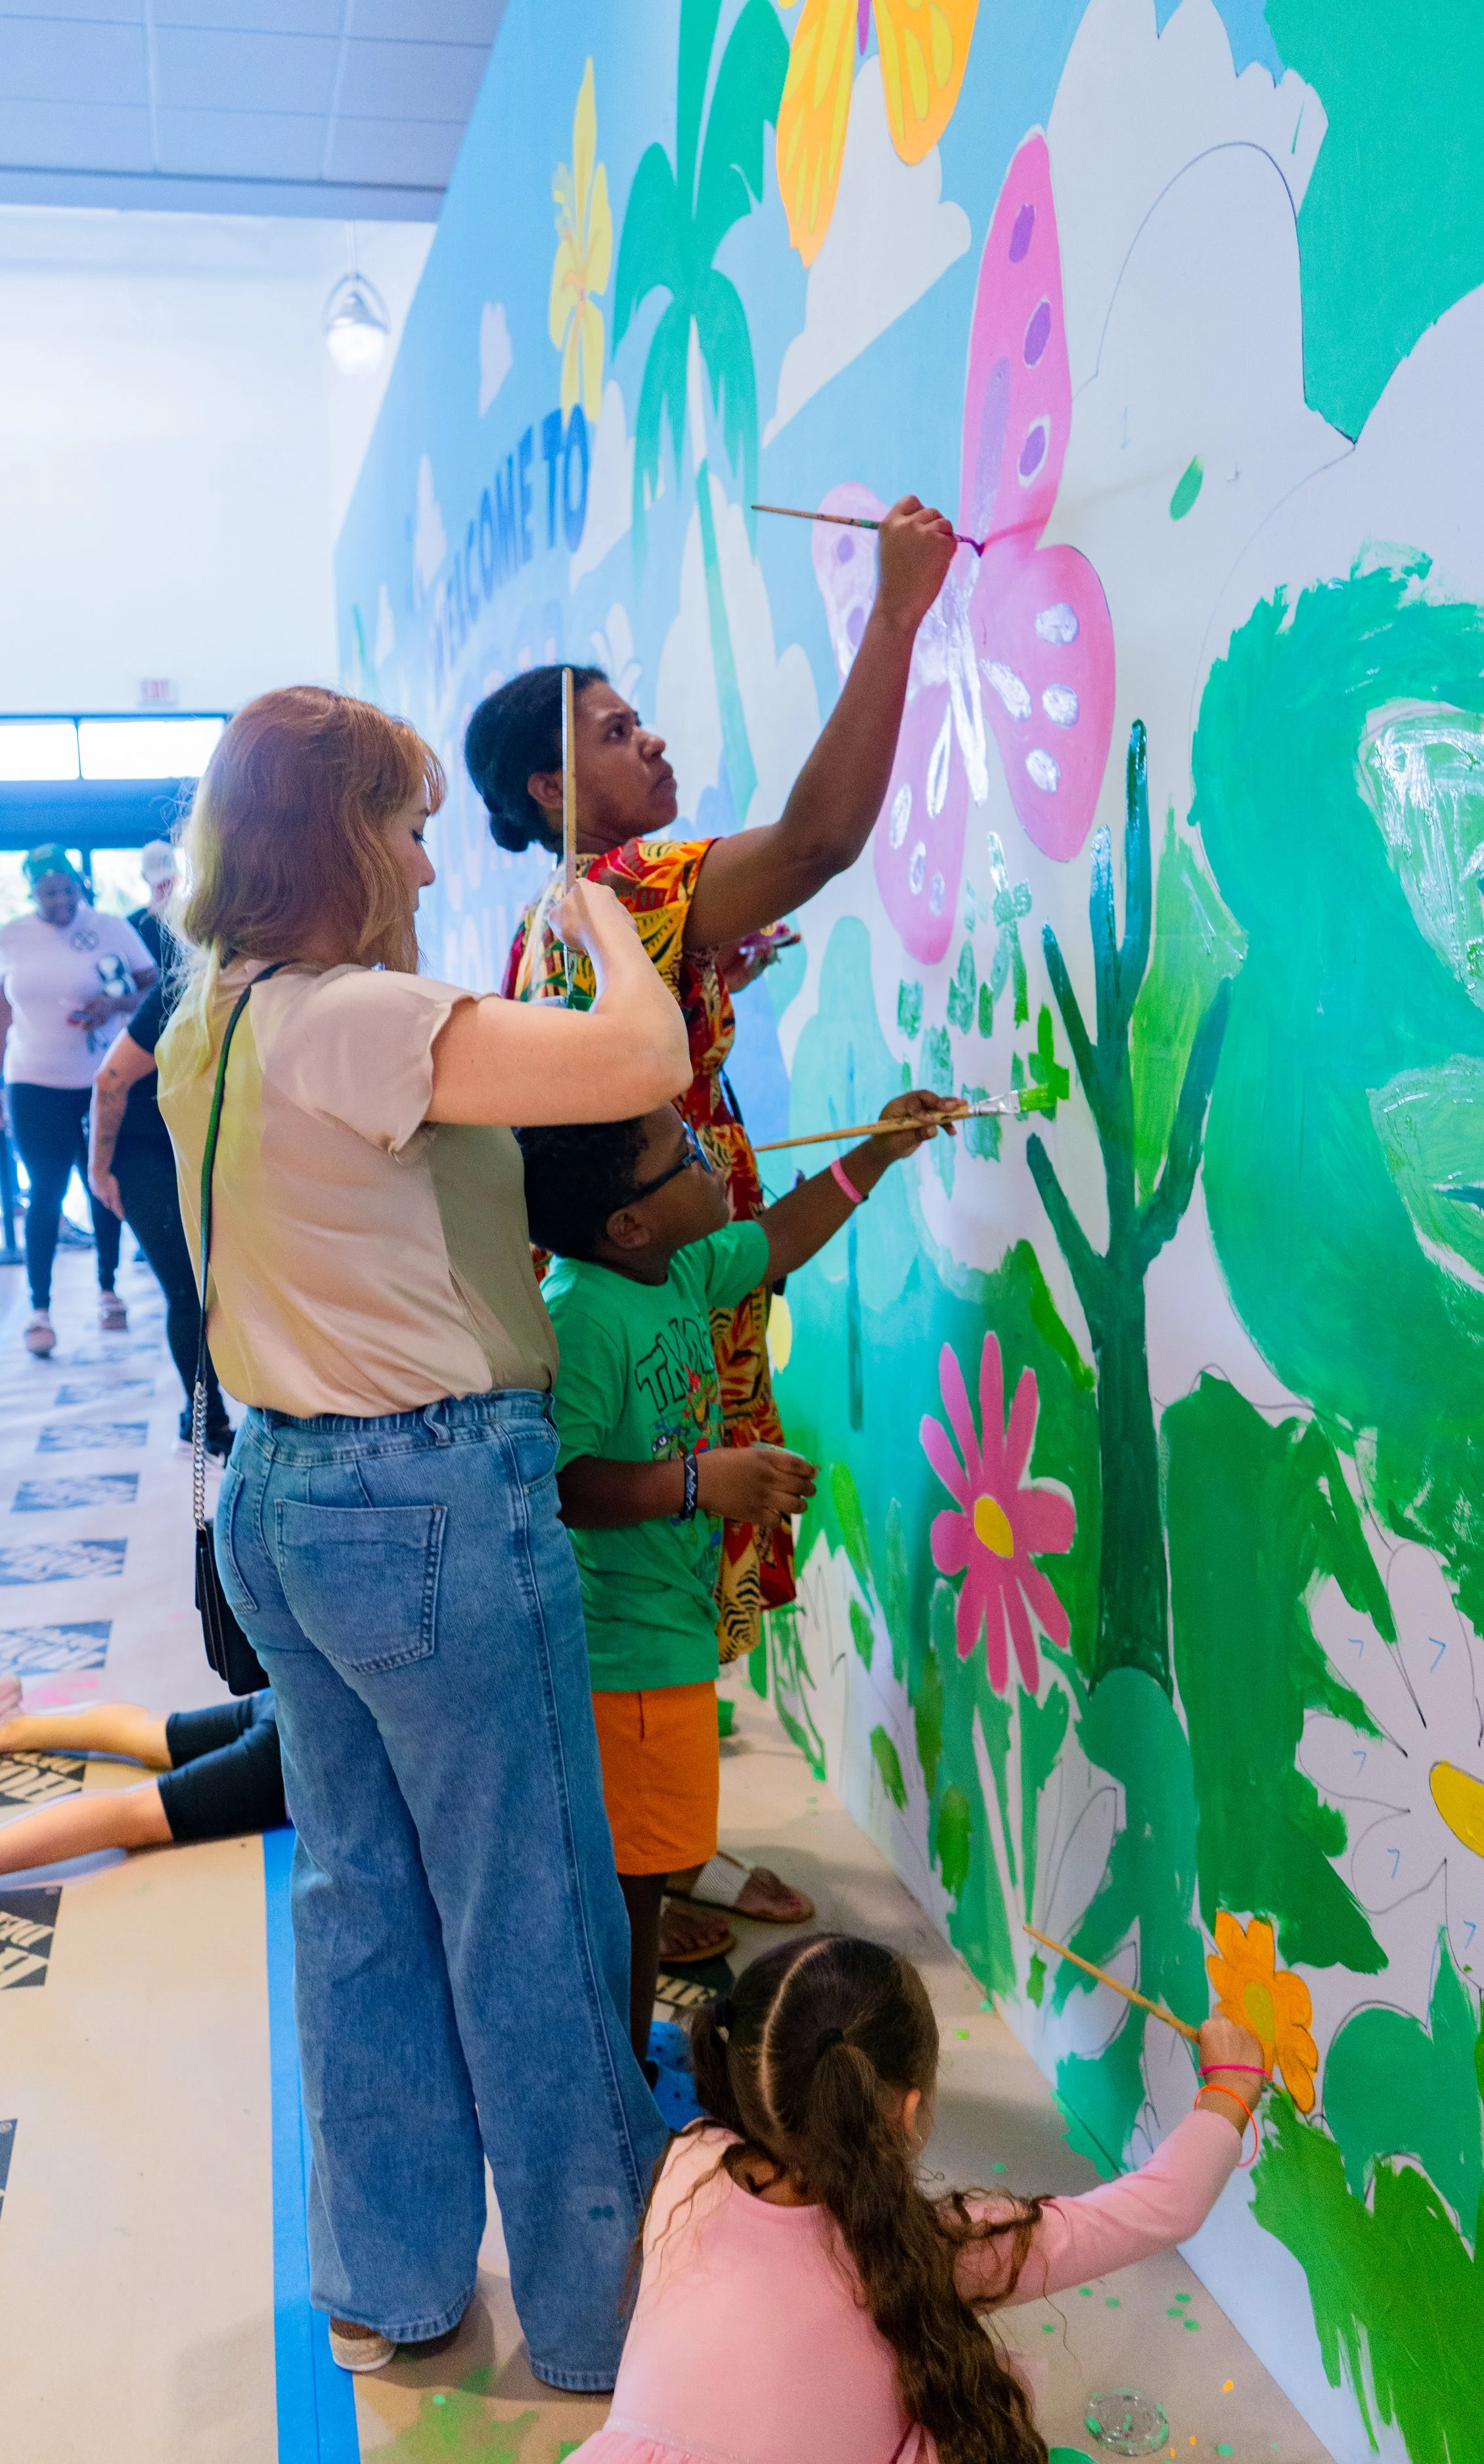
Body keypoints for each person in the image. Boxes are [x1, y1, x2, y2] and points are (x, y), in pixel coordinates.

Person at [156, 685, 690, 2388]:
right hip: (431, 1503)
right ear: (335, 838)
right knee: (530, 1905)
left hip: (285, 1498)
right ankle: (608, 2313)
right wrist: (592, 899)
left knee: (366, 1900)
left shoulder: (213, 1019)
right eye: (399, 820)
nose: (423, 846)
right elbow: (640, 1057)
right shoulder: (355, 1016)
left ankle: (388, 2280)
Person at [465, 497, 956, 1957]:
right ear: (554, 791)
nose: (654, 744)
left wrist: (717, 962)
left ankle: (660, 1852)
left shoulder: (569, 919)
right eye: (619, 734)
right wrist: (895, 612)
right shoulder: (616, 891)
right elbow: (817, 836)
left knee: (678, 1598)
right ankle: (642, 1876)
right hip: (670, 1300)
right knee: (658, 1589)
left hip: (687, 1288)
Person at [520, 1092, 960, 2064]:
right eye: (682, 1152)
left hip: (664, 1628)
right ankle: (621, 2075)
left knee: (652, 1861)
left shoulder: (671, 1264)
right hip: (625, 1647)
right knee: (637, 1878)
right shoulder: (586, 1313)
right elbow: (563, 1479)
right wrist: (699, 1481)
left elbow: (776, 1242)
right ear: (628, 1220)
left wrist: (876, 1155)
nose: (708, 1150)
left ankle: (618, 2051)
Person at [570, 1934, 1273, 2464]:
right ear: (909, 2112)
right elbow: (1162, 2207)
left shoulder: (688, 2156)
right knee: (977, 2391)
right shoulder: (935, 2248)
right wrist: (1229, 2087)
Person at [0, 1676, 284, 1904]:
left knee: (152, 1731)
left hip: (288, 1699)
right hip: (319, 1740)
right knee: (137, 1813)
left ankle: (4, 1729)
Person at [0, 846, 156, 1356]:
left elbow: (155, 988)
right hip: (32, 1082)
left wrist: (114, 1006)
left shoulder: (111, 928)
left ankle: (108, 1288)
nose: (60, 899)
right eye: (48, 891)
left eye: (67, 888)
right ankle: (40, 1308)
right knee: (46, 1191)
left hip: (101, 1080)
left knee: (102, 1182)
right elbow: (0, 1012)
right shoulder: (13, 936)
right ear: (33, 892)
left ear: (80, 884)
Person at [90, 982, 233, 1457]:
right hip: (144, 1154)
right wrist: (99, 1169)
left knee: (214, 1289)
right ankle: (204, 1424)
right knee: (188, 1292)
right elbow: (110, 1078)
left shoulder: (274, 984)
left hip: (200, 1150)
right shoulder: (184, 990)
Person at [128, 840, 184, 990]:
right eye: (161, 883)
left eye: (168, 881)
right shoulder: (132, 925)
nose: (165, 888)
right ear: (145, 878)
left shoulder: (191, 920)